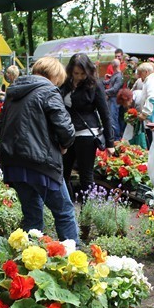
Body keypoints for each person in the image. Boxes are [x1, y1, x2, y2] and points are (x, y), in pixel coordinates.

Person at [0, 56, 78, 242]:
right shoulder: (48, 90)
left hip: (14, 164)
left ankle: (30, 261)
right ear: (55, 75)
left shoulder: (13, 91)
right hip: (42, 164)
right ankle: (75, 262)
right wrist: (64, 145)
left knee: (32, 215)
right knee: (64, 212)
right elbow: (66, 129)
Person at [59, 53, 114, 200]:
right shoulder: (65, 83)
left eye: (82, 74)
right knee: (62, 174)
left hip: (87, 134)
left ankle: (87, 216)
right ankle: (68, 208)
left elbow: (105, 114)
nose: (79, 77)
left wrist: (110, 142)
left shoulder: (95, 85)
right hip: (67, 134)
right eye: (76, 73)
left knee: (86, 176)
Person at [135, 62, 154, 146]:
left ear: (146, 72)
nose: (140, 77)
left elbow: (153, 98)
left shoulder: (152, 81)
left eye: (140, 74)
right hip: (152, 117)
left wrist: (144, 113)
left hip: (152, 119)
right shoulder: (153, 80)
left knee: (152, 143)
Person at [104, 59, 123, 140]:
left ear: (113, 66)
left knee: (113, 119)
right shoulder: (116, 74)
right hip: (112, 99)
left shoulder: (119, 76)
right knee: (112, 118)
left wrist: (104, 91)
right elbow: (109, 82)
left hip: (115, 99)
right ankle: (115, 137)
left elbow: (115, 89)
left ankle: (116, 138)